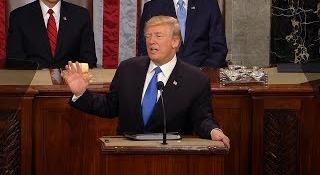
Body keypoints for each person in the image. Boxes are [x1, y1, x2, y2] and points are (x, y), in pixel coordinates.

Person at [62, 16, 230, 149]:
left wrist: (214, 131)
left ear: (175, 42)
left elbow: (202, 118)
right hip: (127, 154)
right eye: (148, 36)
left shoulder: (196, 79)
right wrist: (81, 94)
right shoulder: (128, 68)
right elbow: (110, 106)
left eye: (158, 36)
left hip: (171, 157)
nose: (151, 41)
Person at [6, 0, 97, 69]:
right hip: (33, 85)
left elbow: (89, 59)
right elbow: (15, 60)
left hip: (71, 84)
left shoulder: (81, 15)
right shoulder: (19, 16)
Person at [138, 0, 228, 68]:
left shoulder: (209, 5)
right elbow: (144, 49)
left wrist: (202, 73)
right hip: (164, 76)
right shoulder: (152, 7)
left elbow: (219, 49)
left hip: (201, 74)